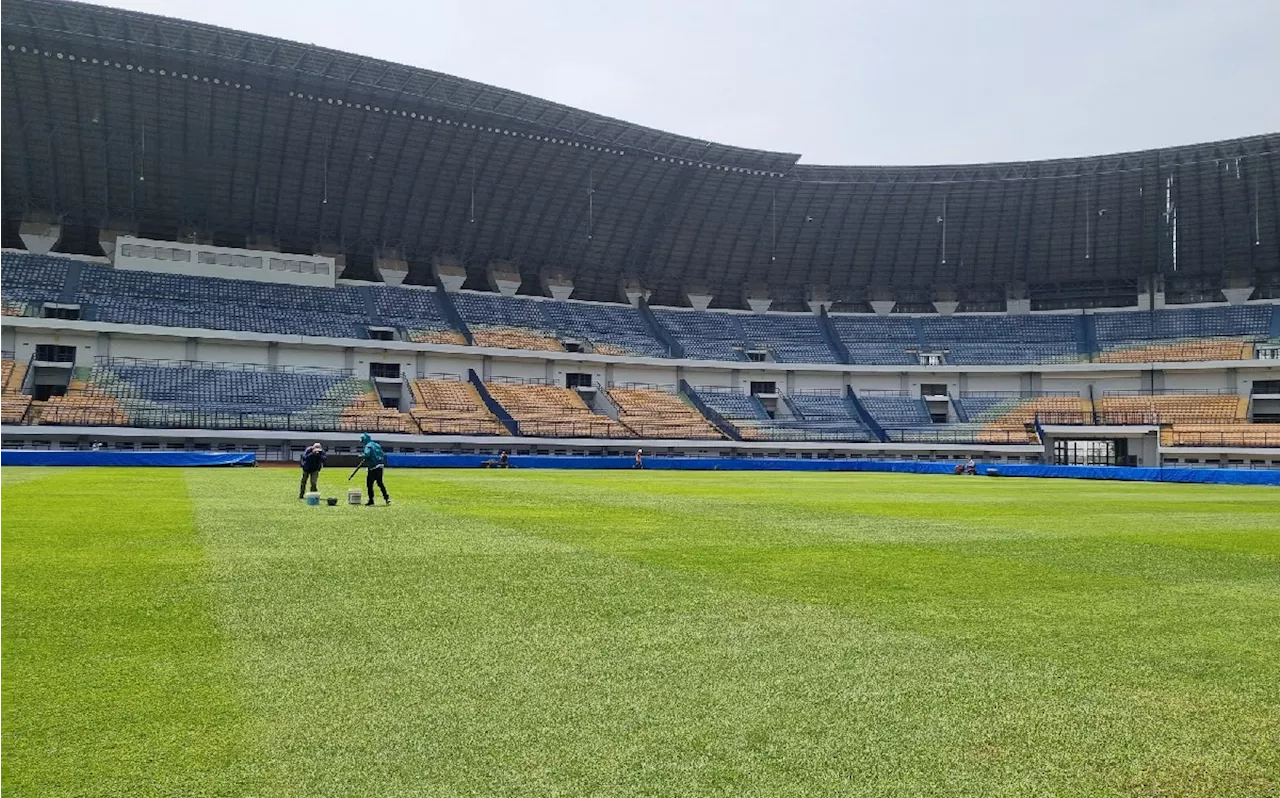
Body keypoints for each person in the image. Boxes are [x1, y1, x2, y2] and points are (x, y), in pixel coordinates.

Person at [359, 432, 391, 505]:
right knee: (380, 483)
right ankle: (386, 498)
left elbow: (367, 454)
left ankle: (371, 500)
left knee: (369, 484)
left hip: (373, 468)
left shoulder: (368, 446)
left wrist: (361, 456)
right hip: (380, 466)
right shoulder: (377, 445)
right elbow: (383, 454)